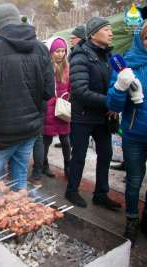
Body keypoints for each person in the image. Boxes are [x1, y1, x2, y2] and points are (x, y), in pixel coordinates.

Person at [0, 3, 54, 192]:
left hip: (1, 134)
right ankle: (20, 211)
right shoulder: (41, 49)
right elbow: (49, 92)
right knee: (19, 177)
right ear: (18, 21)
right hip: (30, 130)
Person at [65, 17, 122, 211]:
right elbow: (80, 90)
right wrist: (110, 101)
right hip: (83, 116)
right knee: (79, 155)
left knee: (106, 154)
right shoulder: (81, 56)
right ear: (93, 34)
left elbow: (117, 82)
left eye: (111, 29)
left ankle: (101, 194)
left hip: (103, 116)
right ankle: (72, 190)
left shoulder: (110, 56)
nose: (111, 33)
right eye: (106, 29)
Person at [107, 23, 147, 245]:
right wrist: (120, 88)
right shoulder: (125, 64)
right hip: (134, 135)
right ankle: (131, 219)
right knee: (133, 181)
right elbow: (114, 105)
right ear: (140, 39)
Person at [42, 37, 71, 179]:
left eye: (63, 51)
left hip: (62, 108)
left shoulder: (67, 67)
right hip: (48, 108)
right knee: (46, 140)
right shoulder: (45, 66)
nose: (60, 54)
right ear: (51, 52)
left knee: (65, 140)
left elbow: (70, 86)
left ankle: (68, 167)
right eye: (57, 51)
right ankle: (44, 164)